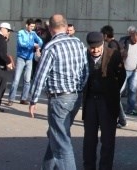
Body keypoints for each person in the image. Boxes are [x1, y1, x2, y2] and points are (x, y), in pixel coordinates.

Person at [28, 14, 89, 170]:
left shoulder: (51, 46)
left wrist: (33, 100)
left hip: (59, 98)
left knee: (62, 143)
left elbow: (40, 75)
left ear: (50, 28)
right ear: (66, 25)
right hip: (75, 96)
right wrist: (78, 89)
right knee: (56, 135)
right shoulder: (78, 43)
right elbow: (86, 71)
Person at [82, 32, 126, 170]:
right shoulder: (84, 56)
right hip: (90, 101)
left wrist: (111, 91)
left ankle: (105, 167)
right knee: (89, 139)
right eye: (92, 48)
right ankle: (88, 166)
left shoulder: (114, 55)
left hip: (108, 102)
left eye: (97, 48)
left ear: (103, 44)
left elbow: (122, 76)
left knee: (107, 140)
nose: (94, 51)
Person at [7, 18, 43, 105]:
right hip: (21, 58)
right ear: (27, 25)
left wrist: (38, 46)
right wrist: (32, 44)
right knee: (16, 80)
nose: (32, 28)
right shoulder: (21, 33)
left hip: (29, 59)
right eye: (31, 26)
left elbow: (40, 41)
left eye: (33, 27)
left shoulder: (33, 33)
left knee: (27, 80)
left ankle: (23, 98)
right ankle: (11, 99)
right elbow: (21, 44)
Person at [101, 25, 127, 127]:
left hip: (116, 75)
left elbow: (110, 62)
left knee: (114, 98)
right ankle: (121, 119)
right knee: (116, 98)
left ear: (105, 35)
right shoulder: (117, 43)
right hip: (120, 73)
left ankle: (121, 119)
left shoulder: (112, 45)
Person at [119, 26, 137, 116]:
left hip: (134, 70)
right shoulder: (124, 42)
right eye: (135, 40)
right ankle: (114, 107)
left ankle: (130, 109)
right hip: (124, 70)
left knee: (133, 90)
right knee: (120, 89)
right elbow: (119, 52)